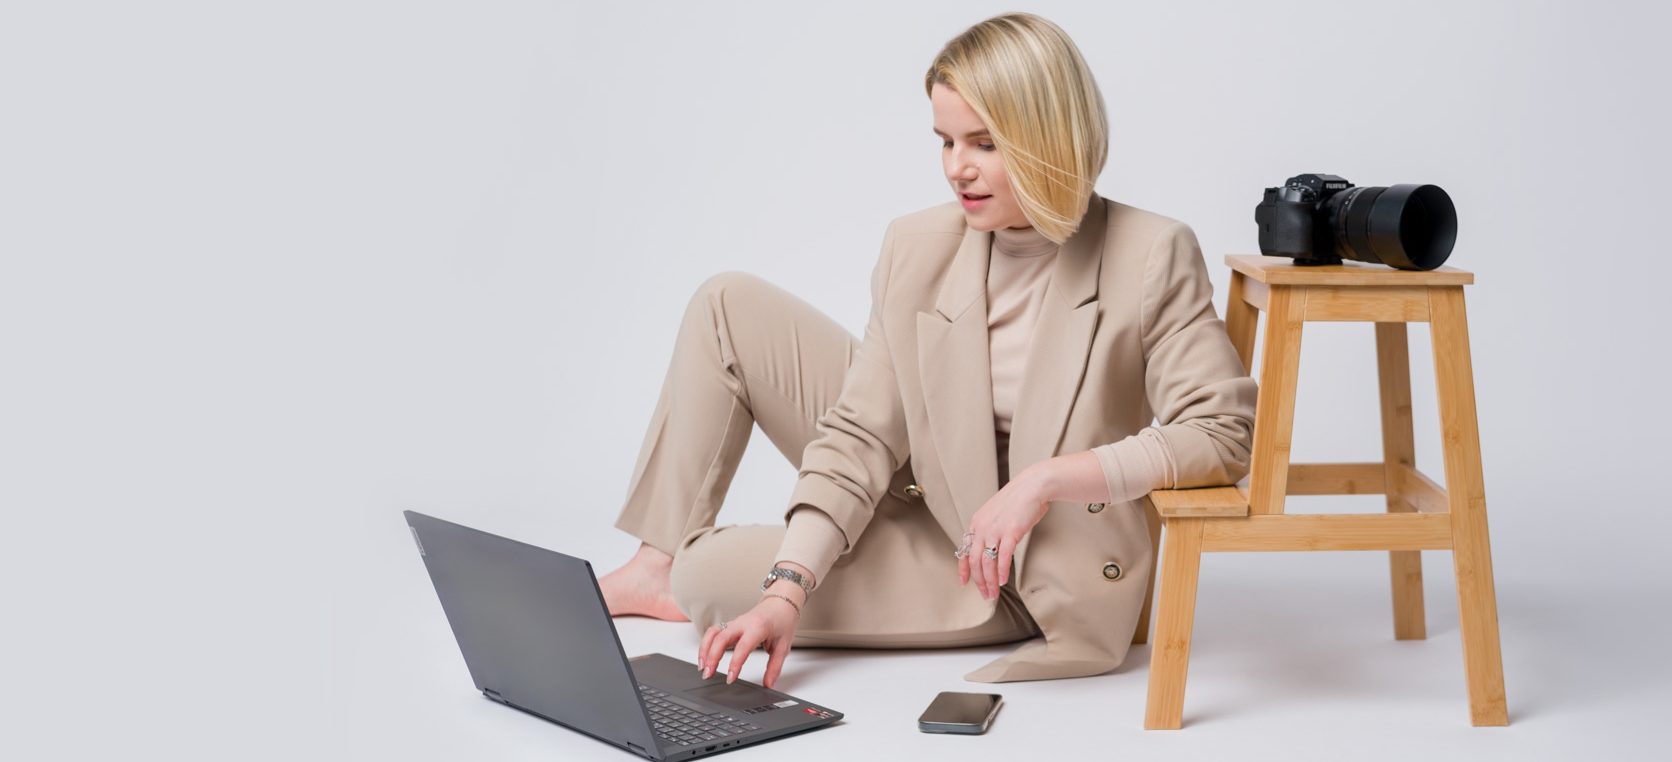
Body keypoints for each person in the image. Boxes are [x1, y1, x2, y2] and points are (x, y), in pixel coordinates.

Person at [599, 12, 1256, 689]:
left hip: (1004, 567)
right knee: (726, 303)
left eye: (983, 143)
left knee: (705, 572)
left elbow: (1223, 433)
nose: (956, 169)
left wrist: (1045, 480)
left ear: (1048, 139)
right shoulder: (915, 245)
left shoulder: (1148, 253)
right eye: (945, 141)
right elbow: (860, 433)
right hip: (926, 486)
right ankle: (655, 564)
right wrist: (784, 590)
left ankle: (681, 574)